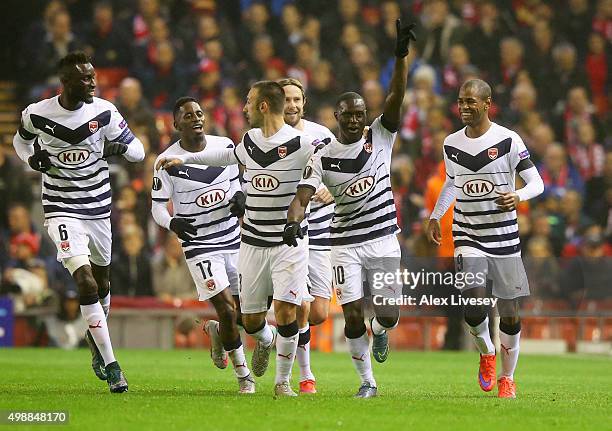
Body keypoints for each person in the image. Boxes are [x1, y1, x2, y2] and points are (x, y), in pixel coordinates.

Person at [156, 81, 321, 397]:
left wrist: (295, 219)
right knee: (251, 318)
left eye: (248, 102)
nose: (243, 108)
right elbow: (226, 157)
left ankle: (282, 382)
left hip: (289, 242)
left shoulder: (303, 144)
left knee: (287, 310)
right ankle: (242, 335)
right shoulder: (250, 140)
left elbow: (306, 190)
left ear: (262, 106)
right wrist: (185, 160)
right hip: (251, 242)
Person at [285, 20, 417, 398]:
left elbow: (397, 94)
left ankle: (381, 332)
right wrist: (294, 221)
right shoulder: (323, 155)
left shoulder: (380, 135)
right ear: (337, 118)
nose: (358, 119)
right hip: (344, 243)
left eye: (361, 113)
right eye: (350, 115)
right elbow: (303, 195)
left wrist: (400, 55)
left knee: (387, 314)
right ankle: (367, 382)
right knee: (353, 314)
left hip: (384, 241)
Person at [12, 51, 145, 393]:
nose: (92, 83)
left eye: (93, 77)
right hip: (60, 208)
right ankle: (113, 366)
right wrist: (33, 158)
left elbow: (139, 152)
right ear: (66, 82)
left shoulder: (104, 112)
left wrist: (117, 149)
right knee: (85, 284)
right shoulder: (37, 114)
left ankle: (94, 335)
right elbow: (20, 142)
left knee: (101, 284)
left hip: (99, 210)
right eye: (85, 78)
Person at [426, 79, 545, 399]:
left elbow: (538, 183)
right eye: (460, 102)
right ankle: (486, 352)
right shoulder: (451, 143)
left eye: (470, 102)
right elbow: (452, 182)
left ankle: (508, 378)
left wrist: (517, 196)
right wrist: (437, 215)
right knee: (474, 303)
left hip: (504, 236)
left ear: (487, 103)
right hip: (468, 233)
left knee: (509, 311)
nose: (463, 107)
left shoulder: (508, 140)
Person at [151, 97, 254, 394]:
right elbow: (157, 207)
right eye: (187, 115)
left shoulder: (224, 147)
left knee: (246, 315)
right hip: (200, 244)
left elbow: (241, 183)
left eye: (198, 113)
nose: (195, 118)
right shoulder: (165, 162)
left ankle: (216, 332)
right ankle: (243, 376)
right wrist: (172, 223)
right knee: (225, 308)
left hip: (233, 238)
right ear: (176, 124)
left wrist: (241, 198)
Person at [278, 77, 336, 394]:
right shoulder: (265, 138)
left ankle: (277, 338)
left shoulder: (321, 135)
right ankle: (305, 375)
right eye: (286, 99)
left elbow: (341, 174)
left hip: (323, 225)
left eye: (297, 99)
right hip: (291, 228)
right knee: (298, 303)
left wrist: (332, 191)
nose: (292, 105)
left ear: (304, 103)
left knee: (320, 312)